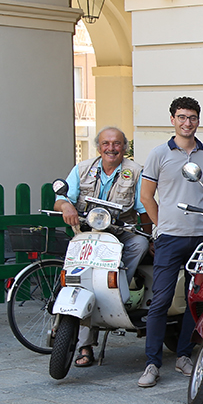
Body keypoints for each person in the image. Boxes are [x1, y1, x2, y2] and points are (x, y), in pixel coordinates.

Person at [137, 97, 203, 388]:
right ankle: (152, 363)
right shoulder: (159, 154)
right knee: (160, 300)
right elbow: (146, 195)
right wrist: (161, 224)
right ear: (172, 119)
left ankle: (184, 355)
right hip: (170, 238)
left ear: (199, 120)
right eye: (182, 117)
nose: (188, 123)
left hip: (201, 237)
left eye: (193, 117)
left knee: (193, 300)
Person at [54, 125, 150, 369]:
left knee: (139, 243)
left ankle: (117, 285)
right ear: (99, 147)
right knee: (82, 281)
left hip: (121, 233)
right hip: (88, 232)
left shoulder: (135, 171)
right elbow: (62, 197)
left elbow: (143, 208)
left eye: (117, 144)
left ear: (124, 148)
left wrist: (151, 237)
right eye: (106, 144)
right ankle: (84, 345)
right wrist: (66, 206)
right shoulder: (83, 168)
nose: (111, 148)